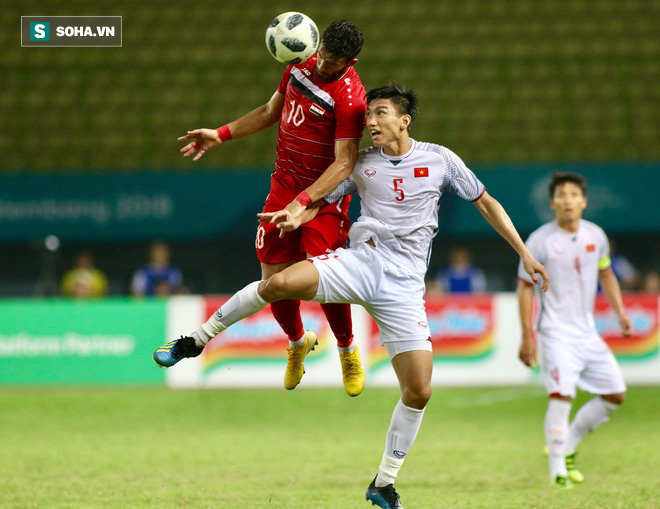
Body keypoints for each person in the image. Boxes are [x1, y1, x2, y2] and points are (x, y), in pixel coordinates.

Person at [155, 84, 548, 508]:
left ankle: (383, 483)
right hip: (361, 263)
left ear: (404, 120)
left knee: (419, 391)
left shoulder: (440, 160)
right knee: (279, 284)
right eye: (367, 116)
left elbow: (485, 202)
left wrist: (524, 252)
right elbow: (321, 199)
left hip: (404, 287)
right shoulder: (359, 165)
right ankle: (195, 339)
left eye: (379, 113)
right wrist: (294, 213)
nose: (370, 122)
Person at [176, 20, 368, 396]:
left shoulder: (351, 99)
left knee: (326, 277)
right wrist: (221, 133)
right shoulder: (298, 63)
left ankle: (348, 351)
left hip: (323, 196)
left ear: (352, 60)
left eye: (332, 60)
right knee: (273, 277)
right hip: (283, 184)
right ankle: (298, 343)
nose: (323, 63)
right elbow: (269, 111)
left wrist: (306, 202)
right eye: (322, 54)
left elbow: (345, 163)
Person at [517, 172, 632, 488]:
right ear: (552, 202)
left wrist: (620, 311)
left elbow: (606, 274)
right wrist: (527, 336)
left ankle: (566, 446)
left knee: (614, 394)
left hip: (587, 332)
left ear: (584, 201)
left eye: (573, 194)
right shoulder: (539, 240)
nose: (567, 200)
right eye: (561, 195)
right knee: (561, 396)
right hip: (554, 332)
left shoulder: (596, 236)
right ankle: (558, 473)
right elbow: (525, 288)